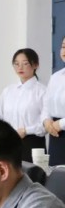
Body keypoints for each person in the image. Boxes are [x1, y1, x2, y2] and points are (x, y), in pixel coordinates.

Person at [0, 48, 46, 162]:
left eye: (25, 63)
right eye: (16, 64)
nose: (20, 67)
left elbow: (46, 123)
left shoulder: (42, 91)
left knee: (31, 172)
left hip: (32, 143)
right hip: (9, 142)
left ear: (35, 65)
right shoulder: (8, 91)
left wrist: (26, 130)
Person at [43, 36, 65, 165]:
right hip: (55, 134)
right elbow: (46, 104)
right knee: (55, 172)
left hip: (59, 127)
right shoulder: (55, 77)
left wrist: (60, 124)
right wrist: (46, 121)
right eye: (63, 46)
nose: (64, 50)